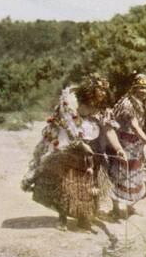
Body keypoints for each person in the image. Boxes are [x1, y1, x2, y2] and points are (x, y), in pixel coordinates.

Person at [21, 75, 127, 231]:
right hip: (67, 143)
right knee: (66, 183)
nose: (101, 96)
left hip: (90, 143)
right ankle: (62, 216)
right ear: (88, 93)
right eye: (98, 93)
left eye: (104, 93)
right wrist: (82, 145)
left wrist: (118, 149)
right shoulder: (70, 102)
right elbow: (71, 130)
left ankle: (84, 217)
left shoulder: (103, 107)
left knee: (89, 183)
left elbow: (108, 129)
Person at [108, 73, 146, 219]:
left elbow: (145, 125)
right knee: (120, 174)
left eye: (145, 88)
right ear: (134, 88)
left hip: (137, 144)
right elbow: (135, 126)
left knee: (135, 174)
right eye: (140, 88)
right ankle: (116, 209)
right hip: (123, 142)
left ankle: (130, 206)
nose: (143, 91)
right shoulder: (127, 104)